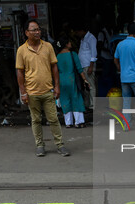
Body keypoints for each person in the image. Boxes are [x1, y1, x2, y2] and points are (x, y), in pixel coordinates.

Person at [16, 19, 70, 157]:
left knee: (53, 119)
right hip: (32, 92)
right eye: (33, 30)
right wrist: (23, 92)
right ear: (27, 32)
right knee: (36, 120)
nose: (37, 32)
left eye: (38, 29)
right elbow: (20, 72)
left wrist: (57, 86)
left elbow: (54, 67)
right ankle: (40, 145)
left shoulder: (48, 47)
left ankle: (60, 145)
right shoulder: (21, 50)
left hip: (48, 90)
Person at [114, 22, 135, 127]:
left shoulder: (120, 44)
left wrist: (120, 69)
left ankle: (126, 124)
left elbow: (115, 59)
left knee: (126, 102)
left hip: (124, 78)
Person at [54, 36, 90, 128]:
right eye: (69, 42)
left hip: (62, 80)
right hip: (72, 79)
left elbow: (55, 71)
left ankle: (68, 122)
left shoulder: (57, 56)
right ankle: (78, 121)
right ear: (66, 44)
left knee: (65, 99)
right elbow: (79, 69)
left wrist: (56, 84)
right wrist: (85, 80)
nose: (70, 43)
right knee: (76, 99)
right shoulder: (73, 54)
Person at [74, 25, 97, 110]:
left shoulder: (91, 38)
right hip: (83, 66)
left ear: (82, 31)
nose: (77, 34)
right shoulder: (83, 39)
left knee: (91, 86)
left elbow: (94, 53)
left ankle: (93, 105)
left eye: (78, 32)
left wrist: (91, 66)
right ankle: (87, 104)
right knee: (86, 86)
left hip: (88, 66)